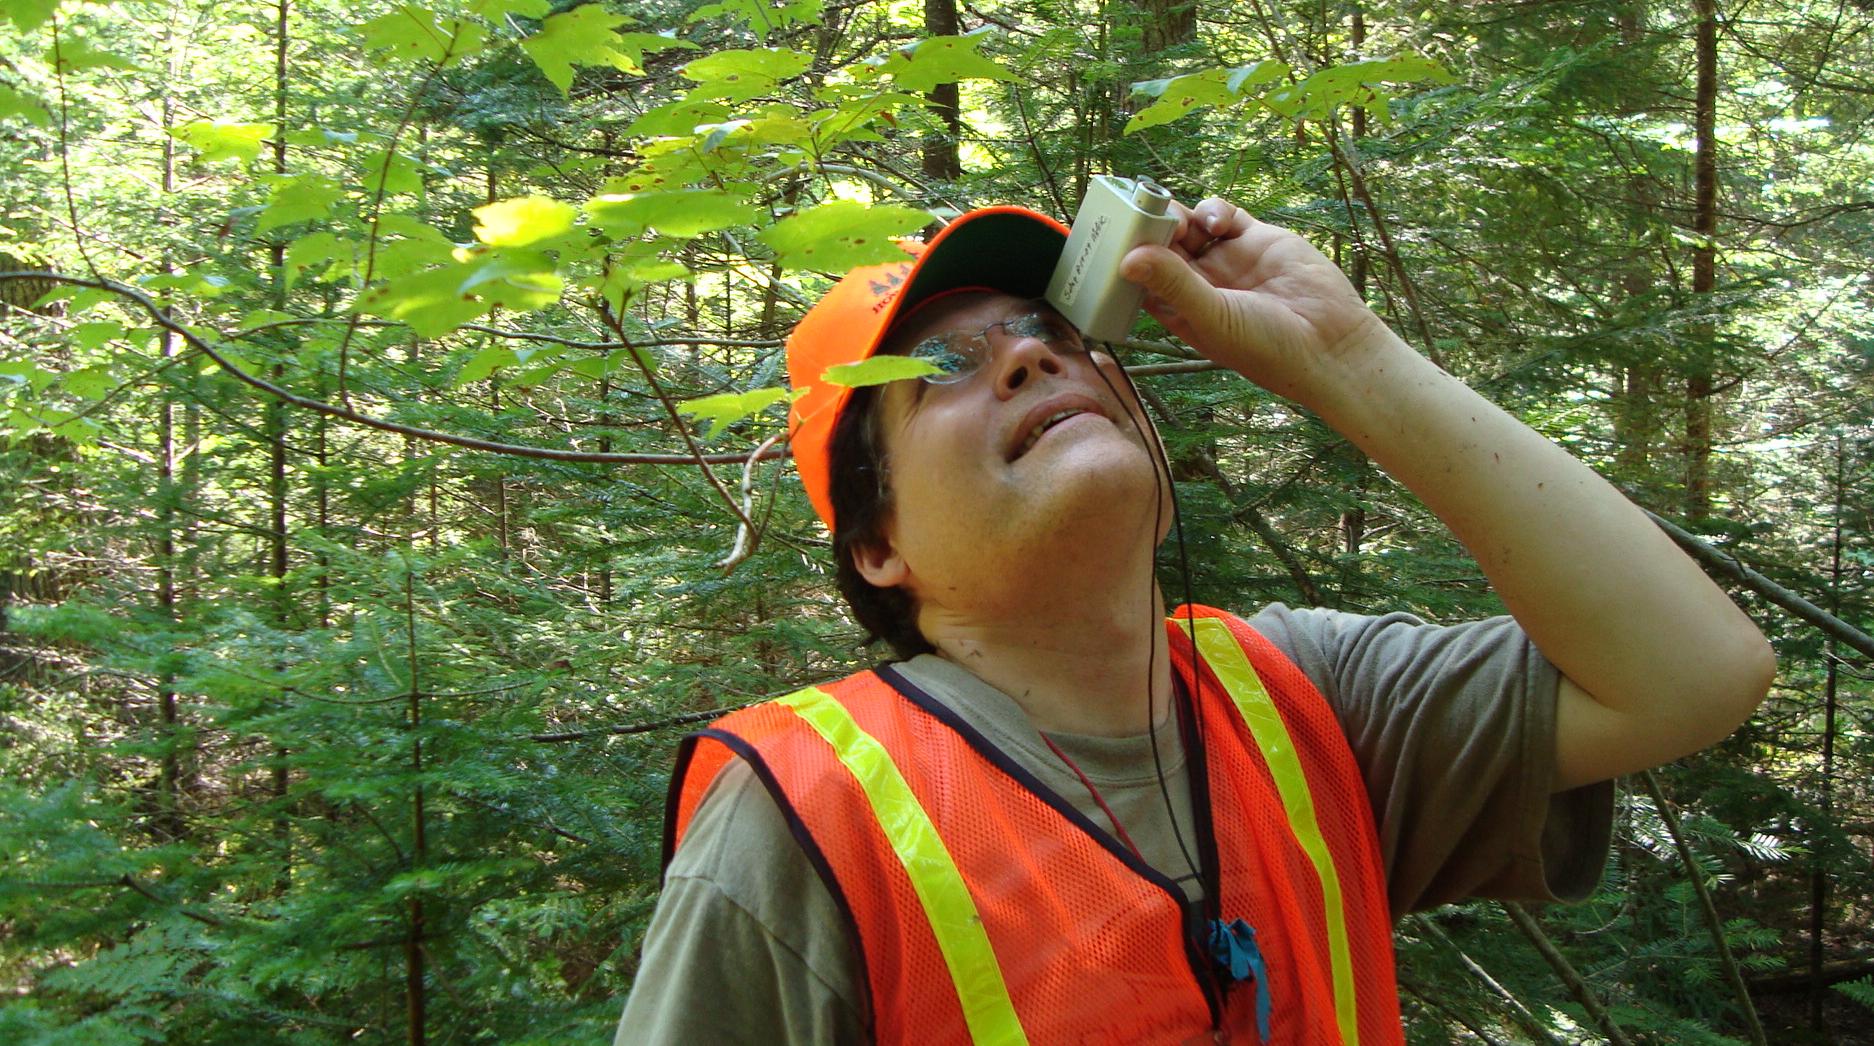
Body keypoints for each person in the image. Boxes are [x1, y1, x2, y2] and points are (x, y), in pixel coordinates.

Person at [613, 198, 1775, 1045]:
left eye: (1053, 334)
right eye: (945, 367)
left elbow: (1695, 671)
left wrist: (1347, 356)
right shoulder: (807, 816)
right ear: (880, 546)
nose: (1027, 355)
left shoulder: (1307, 694)